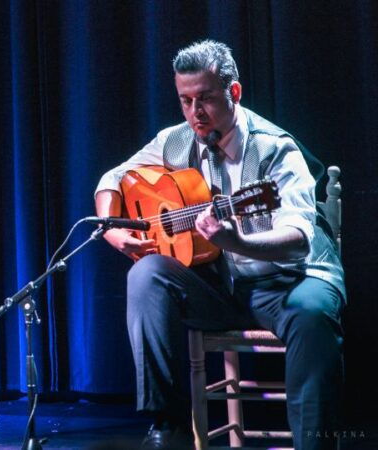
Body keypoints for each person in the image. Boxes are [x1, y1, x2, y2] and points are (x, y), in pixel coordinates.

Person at [94, 40, 345, 450]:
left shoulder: (275, 148)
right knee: (147, 274)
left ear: (235, 92)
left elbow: (299, 238)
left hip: (291, 282)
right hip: (222, 285)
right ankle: (168, 427)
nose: (195, 112)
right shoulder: (175, 141)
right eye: (186, 100)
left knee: (313, 316)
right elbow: (113, 177)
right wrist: (111, 228)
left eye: (206, 99)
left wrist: (238, 240)